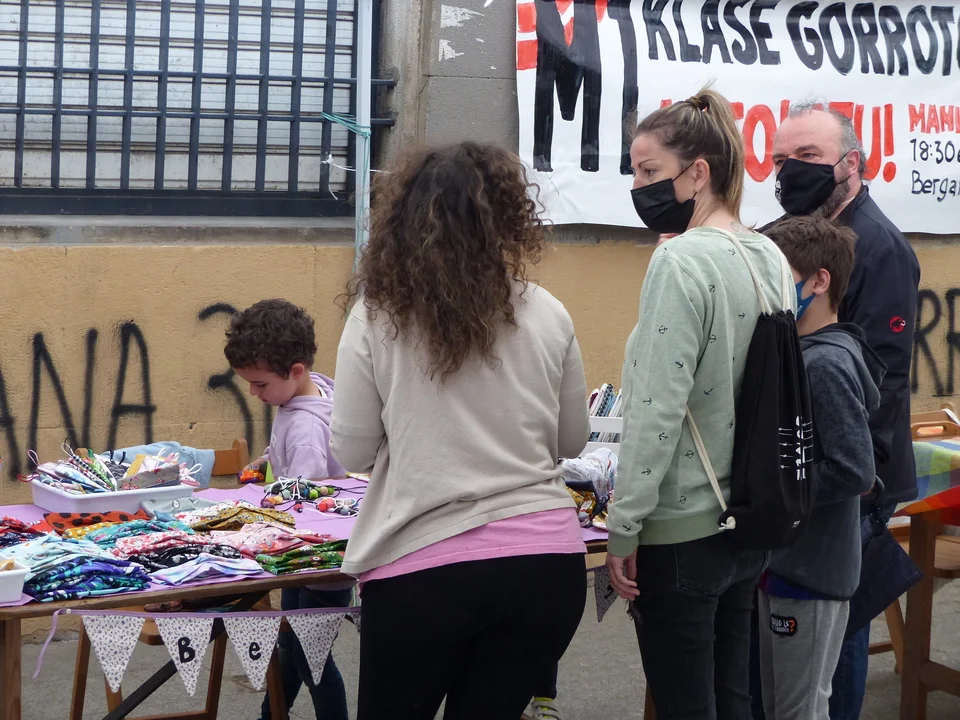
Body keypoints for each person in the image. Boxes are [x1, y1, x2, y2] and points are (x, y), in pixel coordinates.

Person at [330, 141, 590, 720]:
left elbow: (351, 447)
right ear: (508, 218)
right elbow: (572, 441)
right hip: (545, 564)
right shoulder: (548, 310)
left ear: (401, 221)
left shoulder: (377, 315)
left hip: (424, 566)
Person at [605, 87, 795, 719]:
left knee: (685, 702)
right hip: (748, 513)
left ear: (698, 173)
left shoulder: (680, 261)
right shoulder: (769, 253)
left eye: (649, 171)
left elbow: (657, 407)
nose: (638, 187)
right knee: (731, 694)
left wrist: (625, 525)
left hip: (683, 524)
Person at [766, 103, 921, 720]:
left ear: (850, 164)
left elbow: (883, 377)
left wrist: (858, 483)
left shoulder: (879, 247)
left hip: (851, 481)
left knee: (840, 627)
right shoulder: (789, 233)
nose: (789, 171)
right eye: (780, 159)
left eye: (807, 156)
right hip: (804, 471)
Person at [758, 216, 884, 720]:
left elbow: (855, 470)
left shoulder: (826, 365)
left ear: (819, 281)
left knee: (800, 711)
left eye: (777, 274)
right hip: (786, 563)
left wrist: (775, 486)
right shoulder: (798, 353)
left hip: (812, 573)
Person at [223, 299, 351, 720]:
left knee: (313, 661)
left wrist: (256, 515)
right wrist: (266, 461)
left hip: (316, 559)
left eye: (260, 384)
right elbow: (291, 457)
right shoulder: (317, 390)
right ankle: (271, 714)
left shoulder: (306, 429)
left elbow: (300, 504)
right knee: (292, 649)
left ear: (296, 371)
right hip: (310, 559)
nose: (253, 393)